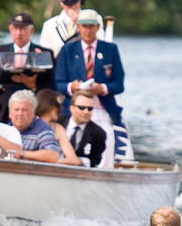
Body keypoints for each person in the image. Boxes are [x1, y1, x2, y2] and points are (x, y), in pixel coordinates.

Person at [55, 9, 124, 168]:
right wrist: (72, 87)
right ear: (78, 27)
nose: (87, 30)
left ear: (98, 27)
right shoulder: (67, 50)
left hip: (102, 107)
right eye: (84, 26)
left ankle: (105, 176)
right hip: (74, 108)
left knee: (107, 140)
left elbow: (119, 84)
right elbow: (58, 83)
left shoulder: (110, 49)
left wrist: (103, 88)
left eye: (91, 26)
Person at [0, 12, 56, 122]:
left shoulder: (44, 53)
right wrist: (4, 80)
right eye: (15, 28)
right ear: (10, 29)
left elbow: (52, 87)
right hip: (5, 113)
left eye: (23, 29)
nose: (18, 33)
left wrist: (33, 85)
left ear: (31, 31)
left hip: (34, 112)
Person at [40, 0, 104, 57]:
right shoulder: (49, 25)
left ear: (81, 1)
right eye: (69, 5)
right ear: (62, 3)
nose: (73, 7)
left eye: (75, 3)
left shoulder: (94, 18)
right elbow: (45, 53)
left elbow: (101, 41)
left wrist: (79, 22)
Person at [7, 90, 63, 163]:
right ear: (10, 113)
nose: (20, 113)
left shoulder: (42, 128)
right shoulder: (5, 129)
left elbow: (53, 155)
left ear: (33, 112)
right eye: (16, 110)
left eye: (24, 110)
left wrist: (22, 153)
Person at [57, 90, 106, 168]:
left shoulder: (99, 133)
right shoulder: (58, 123)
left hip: (80, 171)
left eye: (90, 108)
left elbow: (95, 159)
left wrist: (78, 161)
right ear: (72, 108)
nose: (86, 112)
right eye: (81, 107)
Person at [35, 89, 80, 165]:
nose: (60, 108)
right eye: (57, 105)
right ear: (48, 106)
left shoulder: (57, 128)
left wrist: (52, 161)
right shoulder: (31, 124)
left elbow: (74, 159)